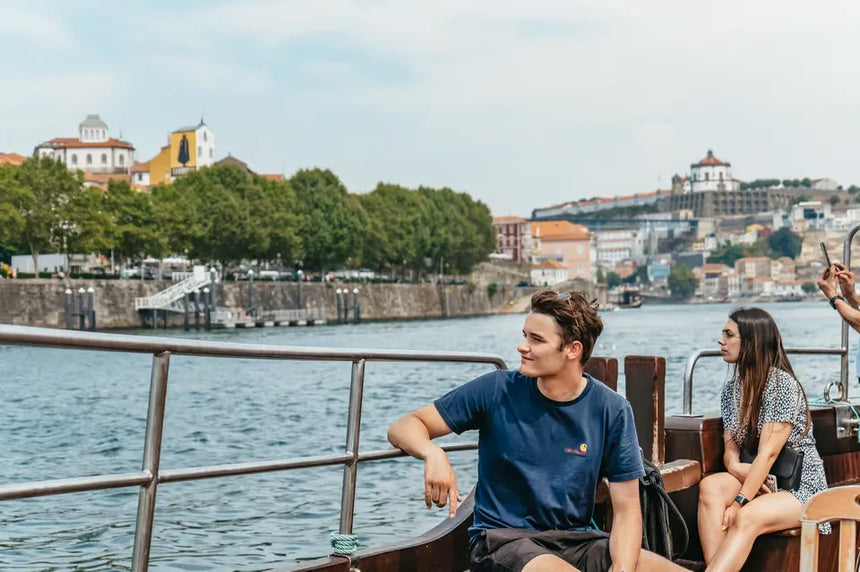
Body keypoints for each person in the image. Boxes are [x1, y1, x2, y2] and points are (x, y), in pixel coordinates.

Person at [387, 290, 686, 572]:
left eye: (536, 339)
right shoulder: (497, 389)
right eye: (524, 336)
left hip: (578, 542)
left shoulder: (612, 409)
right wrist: (432, 452)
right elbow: (404, 426)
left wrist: (621, 568)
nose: (522, 347)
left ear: (572, 349)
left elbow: (627, 510)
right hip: (503, 542)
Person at [697, 307, 829, 572]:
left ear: (751, 342)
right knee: (710, 487)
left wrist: (739, 502)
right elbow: (730, 451)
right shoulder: (731, 390)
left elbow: (768, 454)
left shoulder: (781, 385)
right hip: (760, 478)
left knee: (746, 516)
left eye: (728, 334)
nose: (720, 340)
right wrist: (735, 468)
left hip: (800, 488)